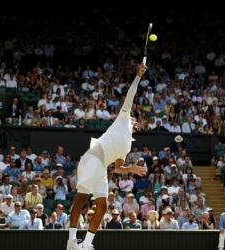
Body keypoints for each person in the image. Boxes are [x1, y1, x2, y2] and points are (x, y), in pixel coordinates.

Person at [67, 64, 148, 250]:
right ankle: (72, 240)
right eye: (133, 118)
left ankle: (86, 244)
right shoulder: (122, 119)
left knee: (102, 207)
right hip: (93, 158)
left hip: (101, 167)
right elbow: (131, 95)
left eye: (136, 120)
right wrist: (137, 76)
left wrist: (132, 169)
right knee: (81, 199)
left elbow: (119, 168)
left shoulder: (127, 145)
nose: (134, 119)